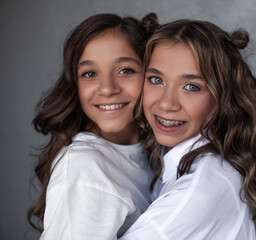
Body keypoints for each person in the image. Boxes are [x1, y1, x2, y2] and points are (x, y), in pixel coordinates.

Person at [120, 19, 256, 239]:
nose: (167, 103)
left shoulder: (197, 191)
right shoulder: (168, 155)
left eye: (191, 87)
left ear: (221, 98)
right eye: (156, 79)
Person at [28, 13, 158, 239]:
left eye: (125, 70)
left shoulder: (154, 149)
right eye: (89, 73)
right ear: (74, 85)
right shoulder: (84, 168)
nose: (107, 88)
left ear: (150, 74)